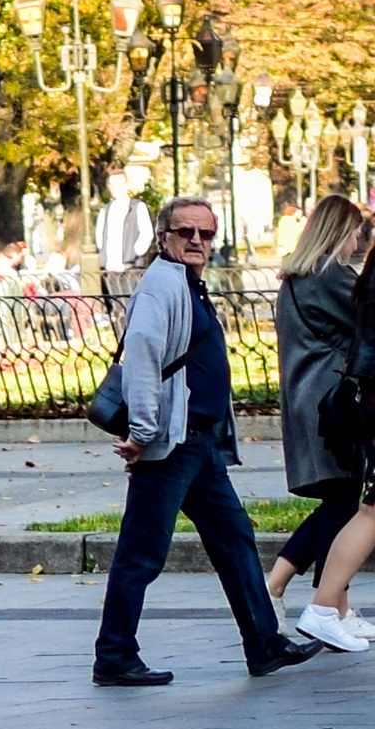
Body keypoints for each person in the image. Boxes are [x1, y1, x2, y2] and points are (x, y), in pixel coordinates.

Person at [92, 197, 319, 686]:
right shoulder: (161, 285)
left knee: (235, 540)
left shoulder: (190, 285)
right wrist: (143, 433)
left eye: (206, 234)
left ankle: (263, 644)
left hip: (199, 448)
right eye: (185, 232)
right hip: (173, 446)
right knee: (142, 553)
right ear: (163, 238)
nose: (197, 241)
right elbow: (145, 360)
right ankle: (113, 656)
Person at [266, 197, 370, 620]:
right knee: (346, 503)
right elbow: (370, 320)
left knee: (338, 500)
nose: (357, 242)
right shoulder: (329, 274)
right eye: (354, 233)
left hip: (308, 400)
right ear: (338, 232)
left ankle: (275, 586)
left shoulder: (296, 276)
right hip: (333, 405)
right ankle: (331, 612)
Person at [288, 240, 375, 652]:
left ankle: (321, 606)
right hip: (359, 398)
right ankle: (324, 608)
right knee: (368, 508)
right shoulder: (333, 274)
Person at [95, 175, 154, 296]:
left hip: (131, 268)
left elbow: (147, 233)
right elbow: (99, 236)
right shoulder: (105, 210)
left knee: (131, 303)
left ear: (126, 185)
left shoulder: (137, 207)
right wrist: (104, 253)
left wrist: (135, 252)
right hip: (110, 268)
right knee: (115, 305)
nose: (116, 188)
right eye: (112, 185)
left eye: (119, 184)